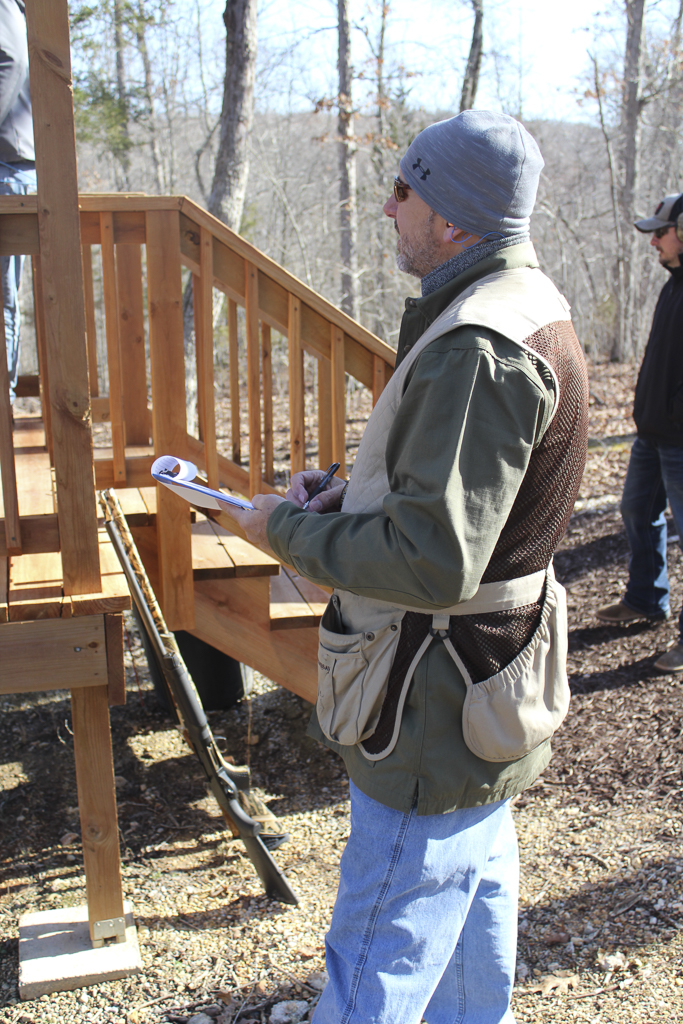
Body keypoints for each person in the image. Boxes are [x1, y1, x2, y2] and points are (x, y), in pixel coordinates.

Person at [226, 111, 588, 1024]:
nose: (388, 208)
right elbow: (456, 507)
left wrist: (281, 530)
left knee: (378, 958)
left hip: (432, 695)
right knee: (468, 914)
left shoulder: (477, 346)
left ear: (453, 221)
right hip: (474, 689)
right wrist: (342, 497)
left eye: (404, 191)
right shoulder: (515, 303)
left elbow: (431, 562)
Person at [596, 193, 683, 672]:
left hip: (679, 438)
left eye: (661, 232)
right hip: (652, 433)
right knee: (636, 509)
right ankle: (646, 598)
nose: (654, 242)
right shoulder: (672, 286)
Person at [0, 0, 36, 406]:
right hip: (12, 164)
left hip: (6, 167)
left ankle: (3, 408)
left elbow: (11, 61)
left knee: (3, 300)